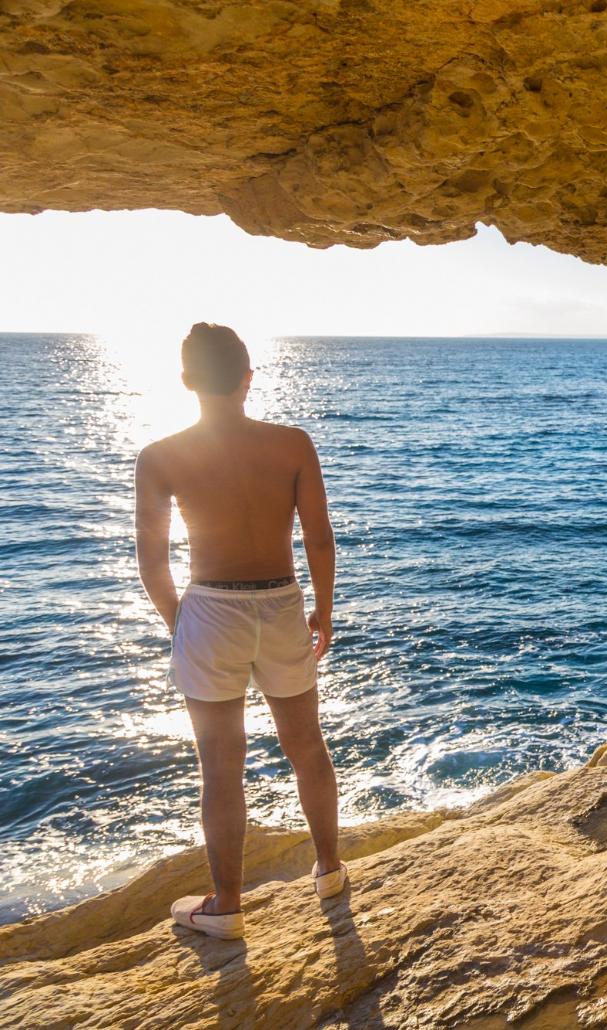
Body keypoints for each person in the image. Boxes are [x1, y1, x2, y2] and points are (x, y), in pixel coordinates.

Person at [135, 323, 344, 941]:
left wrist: (182, 624)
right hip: (280, 601)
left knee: (221, 765)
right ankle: (330, 871)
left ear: (185, 382)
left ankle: (226, 905)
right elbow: (319, 537)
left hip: (210, 607)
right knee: (306, 744)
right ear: (249, 378)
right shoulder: (292, 443)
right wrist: (324, 610)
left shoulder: (161, 455)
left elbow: (152, 563)